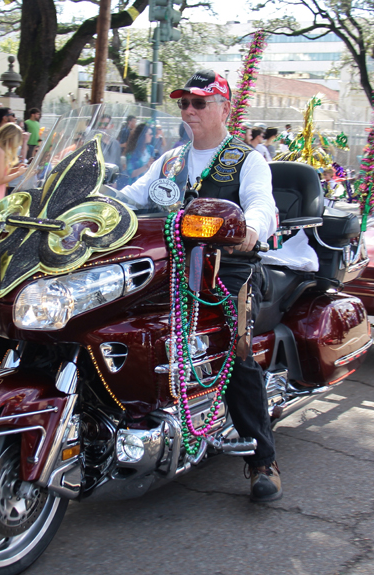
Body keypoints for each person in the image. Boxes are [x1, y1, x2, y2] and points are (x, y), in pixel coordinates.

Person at [122, 69, 306, 502]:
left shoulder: (246, 159)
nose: (189, 111)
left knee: (232, 344)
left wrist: (251, 227)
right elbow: (131, 196)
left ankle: (262, 458)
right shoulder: (169, 161)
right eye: (184, 103)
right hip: (171, 266)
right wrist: (91, 202)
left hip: (229, 269)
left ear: (223, 107)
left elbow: (265, 207)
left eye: (199, 103)